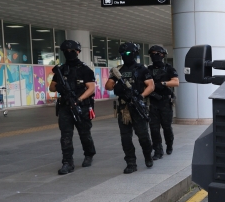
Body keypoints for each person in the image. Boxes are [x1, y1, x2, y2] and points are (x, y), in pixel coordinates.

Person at [105, 42, 155, 174]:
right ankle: (131, 162)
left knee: (143, 136)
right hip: (124, 108)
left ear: (133, 54)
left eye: (127, 53)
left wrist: (140, 96)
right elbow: (108, 86)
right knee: (125, 138)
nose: (125, 56)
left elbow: (151, 86)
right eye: (122, 54)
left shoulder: (142, 69)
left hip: (138, 106)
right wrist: (116, 83)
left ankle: (148, 156)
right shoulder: (118, 70)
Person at [49, 40, 96, 175]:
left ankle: (89, 154)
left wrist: (79, 99)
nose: (69, 54)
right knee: (65, 136)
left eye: (72, 51)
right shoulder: (61, 69)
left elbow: (91, 88)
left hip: (82, 106)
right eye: (66, 52)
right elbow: (52, 87)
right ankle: (67, 162)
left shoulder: (85, 69)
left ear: (78, 52)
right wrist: (60, 87)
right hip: (65, 107)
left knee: (85, 134)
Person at [147, 45, 179, 159]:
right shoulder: (148, 70)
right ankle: (158, 150)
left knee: (166, 127)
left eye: (157, 54)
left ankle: (169, 145)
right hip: (153, 102)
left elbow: (176, 82)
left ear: (162, 55)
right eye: (152, 54)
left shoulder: (168, 68)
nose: (154, 56)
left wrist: (163, 84)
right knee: (154, 128)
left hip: (165, 101)